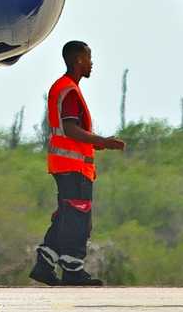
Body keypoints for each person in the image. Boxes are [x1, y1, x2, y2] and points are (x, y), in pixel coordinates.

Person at [31, 40, 125, 287]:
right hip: (73, 168)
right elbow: (71, 129)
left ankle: (44, 264)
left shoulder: (66, 87)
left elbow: (69, 132)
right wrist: (102, 141)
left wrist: (95, 143)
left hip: (67, 165)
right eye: (89, 57)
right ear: (78, 60)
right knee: (77, 220)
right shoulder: (69, 90)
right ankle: (72, 270)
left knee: (66, 216)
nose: (92, 63)